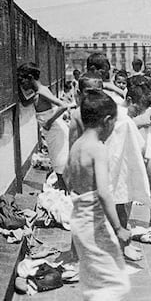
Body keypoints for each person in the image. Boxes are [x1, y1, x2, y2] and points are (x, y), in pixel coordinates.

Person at [64, 89, 131, 300]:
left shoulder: (76, 146)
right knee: (114, 281)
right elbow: (103, 193)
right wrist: (119, 228)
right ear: (108, 121)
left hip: (78, 217)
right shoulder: (98, 148)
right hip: (94, 220)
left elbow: (67, 177)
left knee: (94, 275)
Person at [17, 62, 69, 191]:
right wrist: (17, 86)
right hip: (51, 134)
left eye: (22, 79)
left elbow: (63, 106)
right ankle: (64, 195)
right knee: (58, 166)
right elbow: (24, 102)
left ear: (30, 77)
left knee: (60, 167)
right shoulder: (36, 94)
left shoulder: (42, 91)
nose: (21, 83)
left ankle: (65, 197)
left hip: (56, 132)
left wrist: (49, 122)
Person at [127, 84, 151, 227]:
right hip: (131, 153)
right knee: (128, 189)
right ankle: (124, 220)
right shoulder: (127, 113)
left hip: (147, 153)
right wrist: (137, 123)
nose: (139, 109)